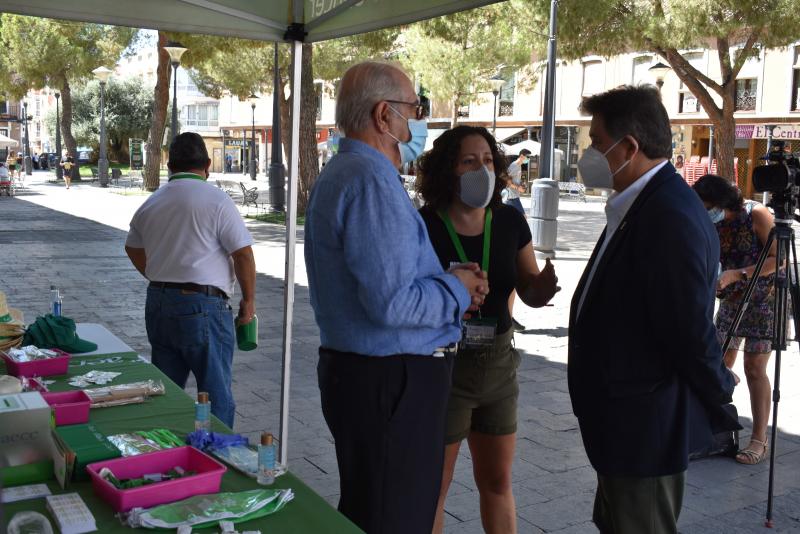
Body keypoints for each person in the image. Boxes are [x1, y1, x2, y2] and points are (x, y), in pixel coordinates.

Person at [304, 61, 489, 534]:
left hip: (375, 379)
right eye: (416, 108)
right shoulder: (369, 181)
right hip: (389, 382)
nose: (419, 120)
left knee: (378, 509)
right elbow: (392, 305)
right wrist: (457, 288)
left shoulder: (349, 173)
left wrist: (445, 278)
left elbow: (387, 279)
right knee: (393, 517)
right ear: (385, 116)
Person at [568, 85, 737, 533]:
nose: (590, 153)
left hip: (644, 426)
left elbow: (687, 329)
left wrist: (721, 389)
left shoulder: (667, 215)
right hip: (624, 422)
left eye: (597, 142)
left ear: (629, 147)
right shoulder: (644, 202)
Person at [416, 126, 559, 534]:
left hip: (498, 365)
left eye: (489, 161)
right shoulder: (424, 224)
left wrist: (540, 287)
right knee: (434, 488)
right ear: (447, 169)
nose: (483, 169)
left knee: (497, 482)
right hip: (444, 365)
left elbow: (528, 288)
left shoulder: (511, 219)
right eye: (469, 161)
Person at [125, 132, 256, 428]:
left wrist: (157, 273)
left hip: (159, 302)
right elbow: (243, 255)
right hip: (202, 307)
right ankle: (216, 458)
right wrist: (248, 302)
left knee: (166, 391)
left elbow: (132, 247)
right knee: (216, 395)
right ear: (207, 165)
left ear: (170, 165)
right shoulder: (217, 201)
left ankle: (164, 452)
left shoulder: (152, 202)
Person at [692, 174, 777, 465]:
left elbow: (780, 259)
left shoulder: (757, 214)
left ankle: (759, 438)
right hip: (731, 295)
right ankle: (714, 431)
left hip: (765, 297)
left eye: (707, 206)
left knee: (754, 367)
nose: (705, 212)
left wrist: (739, 274)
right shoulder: (710, 222)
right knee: (718, 362)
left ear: (720, 202)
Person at [504, 149, 530, 215]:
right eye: (528, 157)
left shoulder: (519, 166)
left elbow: (514, 179)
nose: (529, 159)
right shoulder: (514, 165)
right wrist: (518, 188)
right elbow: (507, 180)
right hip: (512, 197)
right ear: (521, 156)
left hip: (513, 196)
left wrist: (522, 184)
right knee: (523, 217)